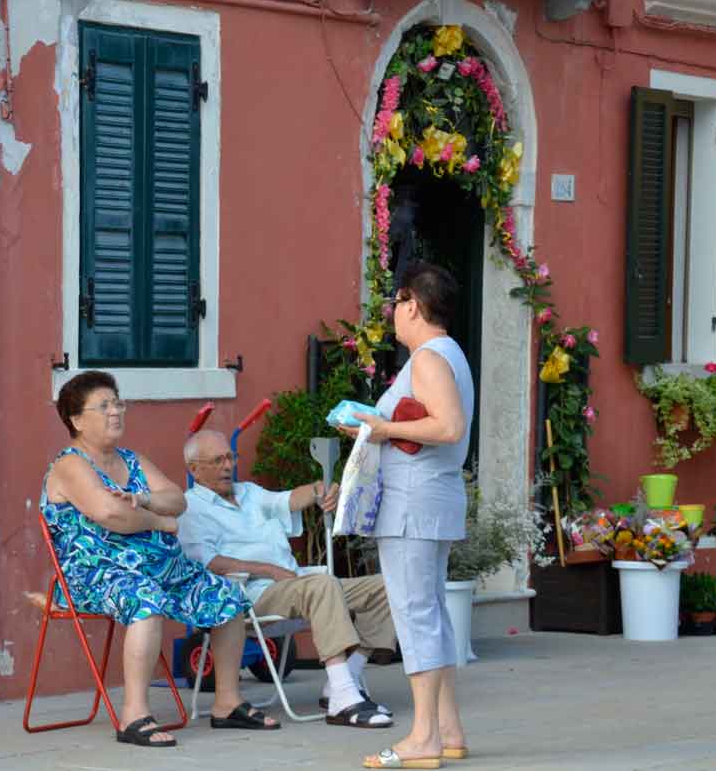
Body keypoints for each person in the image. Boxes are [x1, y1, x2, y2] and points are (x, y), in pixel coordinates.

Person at [40, 371, 279, 749]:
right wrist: (157, 520)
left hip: (162, 566)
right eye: (103, 406)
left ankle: (227, 703)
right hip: (99, 574)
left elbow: (178, 500)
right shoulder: (70, 465)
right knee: (145, 602)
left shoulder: (132, 461)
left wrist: (147, 501)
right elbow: (109, 514)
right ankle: (134, 715)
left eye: (117, 403)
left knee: (226, 597)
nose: (115, 412)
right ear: (76, 420)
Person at [340, 262, 475, 769]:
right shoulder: (448, 355)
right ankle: (446, 728)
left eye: (396, 304)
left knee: (416, 614)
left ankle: (423, 739)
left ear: (412, 305)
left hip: (412, 504)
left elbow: (448, 426)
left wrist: (378, 429)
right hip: (430, 500)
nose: (393, 314)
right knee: (432, 612)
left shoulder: (427, 359)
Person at [178, 428, 397, 729]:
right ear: (194, 469)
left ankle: (345, 680)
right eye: (217, 460)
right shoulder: (190, 508)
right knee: (322, 585)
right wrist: (268, 570)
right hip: (254, 593)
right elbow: (209, 562)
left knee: (388, 586)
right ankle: (344, 700)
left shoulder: (250, 493)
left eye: (230, 457)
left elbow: (288, 500)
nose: (227, 466)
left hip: (297, 583)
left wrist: (319, 490)